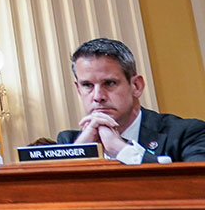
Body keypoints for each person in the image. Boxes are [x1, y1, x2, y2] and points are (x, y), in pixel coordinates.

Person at [56, 37, 205, 163]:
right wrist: (81, 153)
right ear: (78, 90)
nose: (97, 96)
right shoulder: (70, 142)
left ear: (136, 86)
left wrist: (120, 150)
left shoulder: (188, 134)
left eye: (109, 83)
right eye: (87, 85)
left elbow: (196, 188)